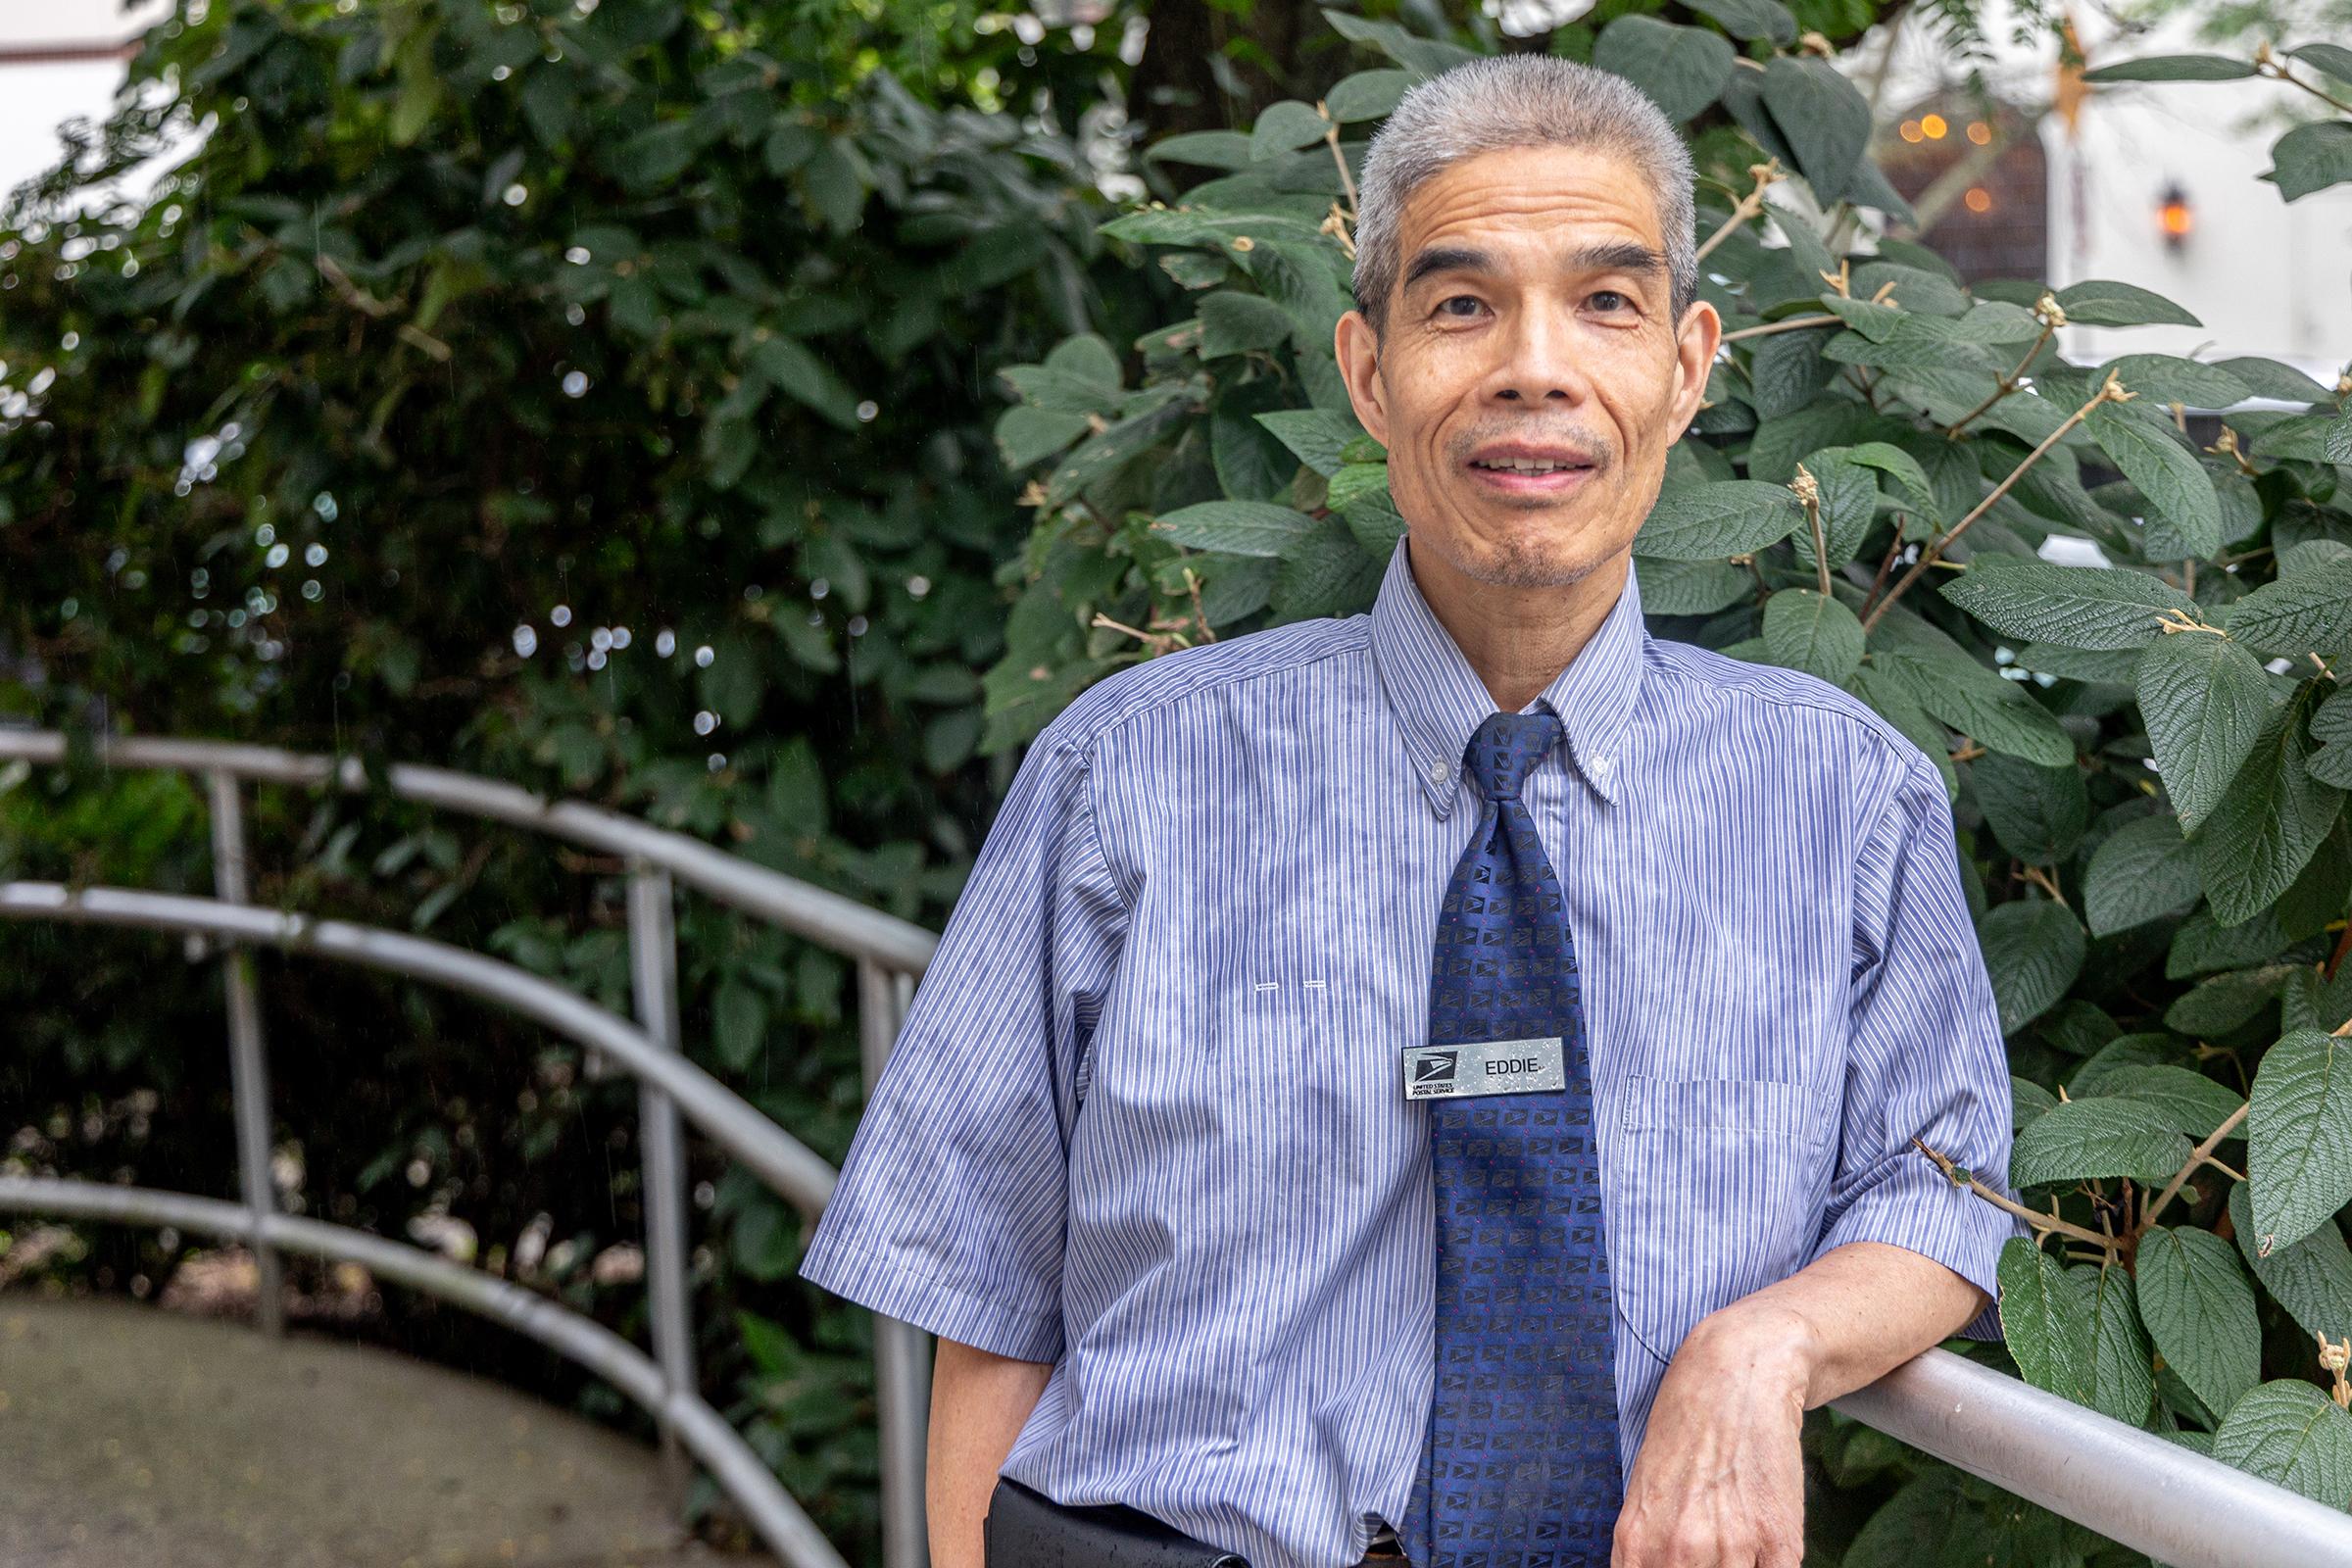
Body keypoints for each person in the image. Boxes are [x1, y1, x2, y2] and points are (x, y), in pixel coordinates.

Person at [803, 52, 2013, 1568]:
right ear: (1369, 374)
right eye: (1460, 305)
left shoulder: (1847, 800)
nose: (1534, 368)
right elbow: (987, 1284)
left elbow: (1941, 1188)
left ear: (1688, 367)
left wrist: (1761, 1349)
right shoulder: (1127, 777)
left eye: (1606, 302)